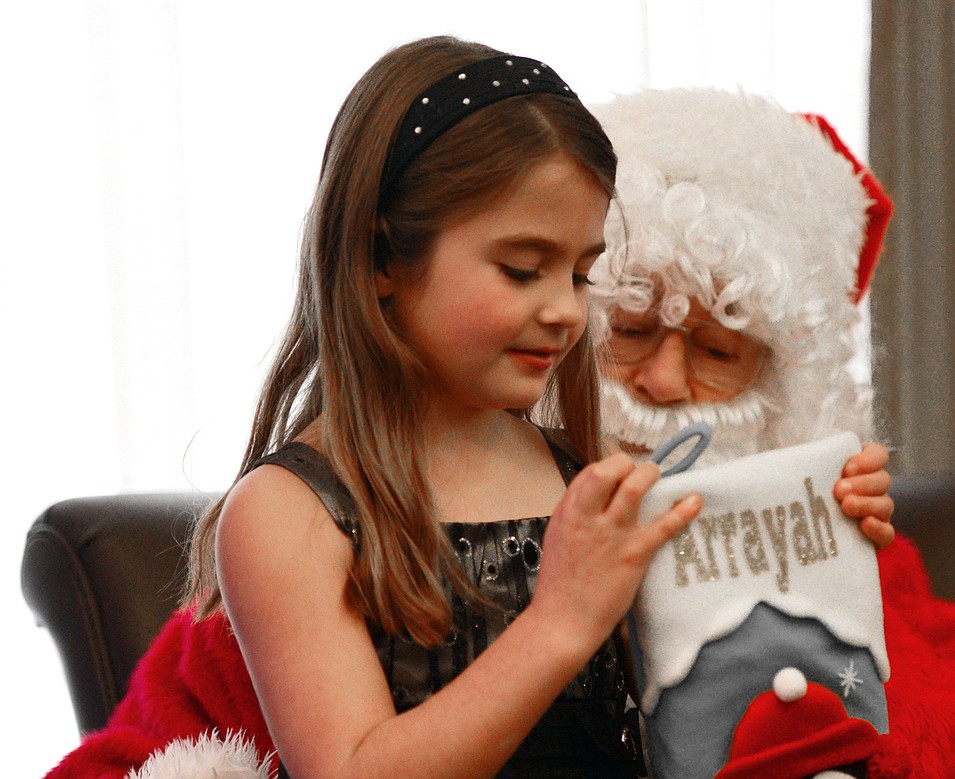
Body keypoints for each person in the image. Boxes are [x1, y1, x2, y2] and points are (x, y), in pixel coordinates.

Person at [45, 39, 893, 779]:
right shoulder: (289, 513)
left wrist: (819, 530)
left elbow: (709, 692)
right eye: (524, 269)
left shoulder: (577, 471)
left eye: (580, 271)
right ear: (381, 258)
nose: (565, 308)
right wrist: (561, 619)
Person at [588, 86, 955, 778]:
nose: (664, 381)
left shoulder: (857, 543)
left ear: (785, 379)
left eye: (718, 351)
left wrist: (847, 541)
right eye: (632, 331)